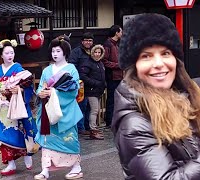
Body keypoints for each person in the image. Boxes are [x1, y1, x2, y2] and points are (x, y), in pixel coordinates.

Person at [112, 13, 200, 179]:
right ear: (134, 67)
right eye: (146, 56)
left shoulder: (185, 99)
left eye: (165, 53)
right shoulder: (135, 123)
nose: (159, 64)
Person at [34, 35, 83, 180]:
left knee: (69, 139)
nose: (55, 54)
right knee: (47, 139)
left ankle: (76, 166)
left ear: (65, 53)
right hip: (48, 111)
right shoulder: (47, 70)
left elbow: (73, 91)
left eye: (58, 51)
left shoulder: (71, 69)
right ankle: (45, 169)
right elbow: (40, 88)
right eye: (53, 51)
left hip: (65, 111)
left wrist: (54, 92)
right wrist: (41, 93)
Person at [0, 39, 37, 176]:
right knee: (1, 134)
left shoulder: (18, 69)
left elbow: (28, 84)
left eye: (12, 52)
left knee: (19, 132)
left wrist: (20, 89)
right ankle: (10, 163)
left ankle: (27, 152)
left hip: (14, 106)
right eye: (7, 53)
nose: (10, 55)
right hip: (1, 106)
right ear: (1, 55)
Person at [69, 32, 95, 135]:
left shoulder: (93, 51)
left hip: (91, 83)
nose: (88, 42)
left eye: (90, 40)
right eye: (86, 40)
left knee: (90, 106)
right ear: (82, 41)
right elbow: (72, 65)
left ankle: (88, 126)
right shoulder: (76, 52)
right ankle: (81, 127)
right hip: (80, 83)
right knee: (81, 105)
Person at [78, 44, 106, 140]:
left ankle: (93, 128)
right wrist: (95, 83)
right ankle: (93, 129)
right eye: (95, 52)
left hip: (98, 90)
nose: (97, 54)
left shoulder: (100, 63)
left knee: (94, 110)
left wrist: (103, 84)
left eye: (99, 52)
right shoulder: (88, 63)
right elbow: (83, 76)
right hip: (91, 90)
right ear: (92, 52)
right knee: (94, 110)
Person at [102, 25, 123, 129]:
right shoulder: (108, 44)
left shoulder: (116, 44)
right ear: (116, 33)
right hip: (112, 76)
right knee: (111, 99)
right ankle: (109, 121)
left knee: (118, 99)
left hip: (119, 76)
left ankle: (115, 120)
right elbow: (104, 61)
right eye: (120, 32)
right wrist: (117, 65)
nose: (121, 34)